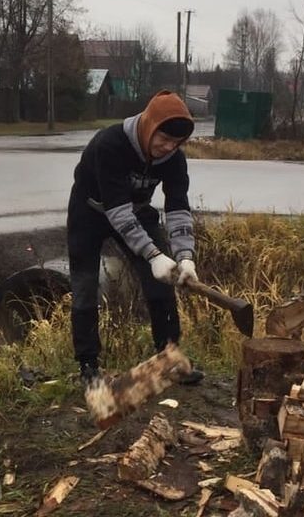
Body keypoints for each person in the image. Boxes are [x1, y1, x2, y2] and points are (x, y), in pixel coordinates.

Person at [66, 89, 203, 386]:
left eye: (175, 143)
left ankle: (169, 359)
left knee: (161, 281)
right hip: (90, 210)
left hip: (137, 210)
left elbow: (178, 207)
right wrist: (152, 255)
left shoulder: (174, 159)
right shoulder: (110, 144)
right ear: (148, 126)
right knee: (85, 286)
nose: (167, 148)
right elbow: (117, 212)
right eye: (162, 139)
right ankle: (88, 367)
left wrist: (184, 257)